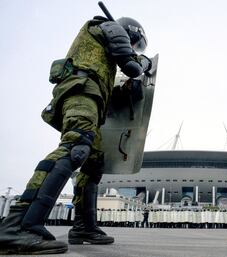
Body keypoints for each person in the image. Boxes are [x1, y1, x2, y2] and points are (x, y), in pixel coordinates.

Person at [0, 13, 152, 255]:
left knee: (93, 164)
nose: (135, 47)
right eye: (137, 44)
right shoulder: (109, 27)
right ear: (131, 32)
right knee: (76, 146)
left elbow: (109, 87)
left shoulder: (101, 55)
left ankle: (84, 228)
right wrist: (145, 63)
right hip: (81, 93)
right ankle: (18, 227)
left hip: (90, 96)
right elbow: (132, 66)